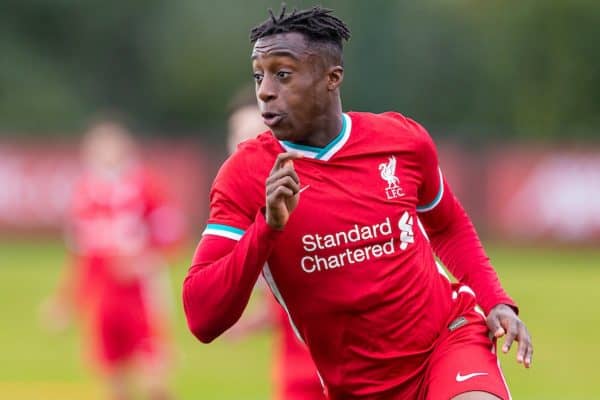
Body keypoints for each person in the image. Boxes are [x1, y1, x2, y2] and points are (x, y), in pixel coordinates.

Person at [183, 5, 532, 400]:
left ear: (331, 78)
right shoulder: (244, 175)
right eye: (259, 75)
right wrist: (268, 228)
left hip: (448, 341)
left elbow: (447, 226)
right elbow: (202, 317)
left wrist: (495, 300)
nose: (264, 90)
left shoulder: (401, 141)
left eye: (282, 74)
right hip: (360, 387)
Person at [42, 118, 183, 400]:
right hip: (104, 297)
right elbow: (81, 254)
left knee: (154, 375)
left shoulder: (145, 185)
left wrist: (142, 259)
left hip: (141, 292)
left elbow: (172, 232)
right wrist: (65, 300)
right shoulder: (85, 192)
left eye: (111, 146)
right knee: (113, 379)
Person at [225, 85, 324, 400]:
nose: (246, 146)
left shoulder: (321, 200)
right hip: (294, 375)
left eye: (256, 134)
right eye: (237, 136)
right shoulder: (242, 215)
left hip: (348, 369)